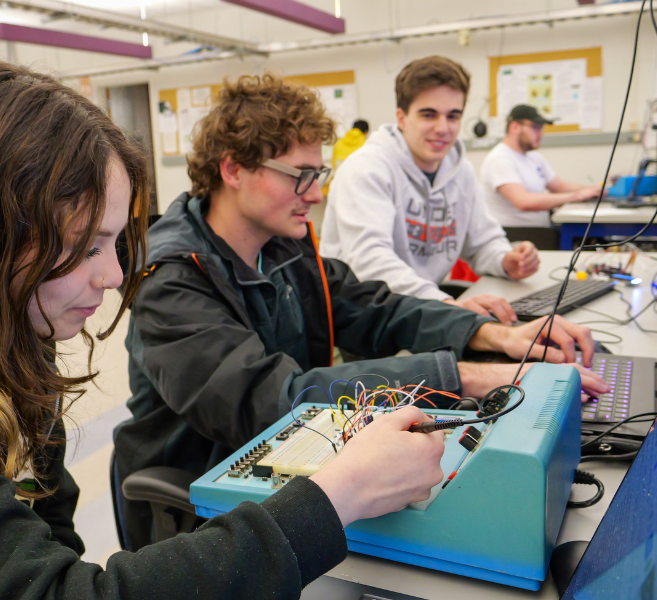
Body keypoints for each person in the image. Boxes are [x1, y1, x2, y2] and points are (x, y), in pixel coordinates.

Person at [0, 61, 448, 600]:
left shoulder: (10, 357)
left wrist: (476, 335)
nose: (113, 276)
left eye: (112, 244)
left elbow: (51, 544)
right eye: (86, 245)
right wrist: (340, 492)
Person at [115, 72, 610, 550]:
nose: (316, 192)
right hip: (204, 489)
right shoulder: (171, 279)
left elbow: (376, 309)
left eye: (319, 174)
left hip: (290, 460)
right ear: (233, 169)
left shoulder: (281, 244)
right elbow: (270, 399)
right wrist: (458, 376)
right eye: (300, 176)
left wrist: (494, 335)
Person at [320, 56, 538, 322]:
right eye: (428, 114)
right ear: (401, 117)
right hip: (368, 315)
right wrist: (444, 304)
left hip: (426, 305)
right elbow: (371, 263)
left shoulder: (461, 171)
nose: (442, 128)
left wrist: (506, 260)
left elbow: (482, 242)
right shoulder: (366, 168)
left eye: (453, 116)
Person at [479, 104, 606, 228]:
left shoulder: (534, 157)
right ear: (515, 127)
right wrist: (578, 196)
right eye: (535, 127)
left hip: (540, 231)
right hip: (514, 236)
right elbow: (523, 202)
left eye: (541, 128)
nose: (541, 134)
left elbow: (559, 186)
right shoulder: (499, 159)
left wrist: (592, 190)